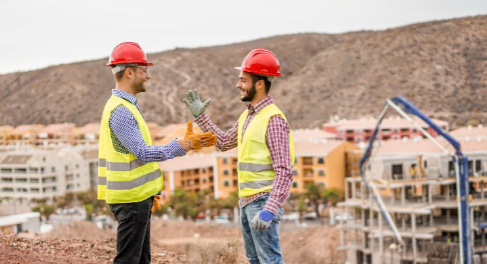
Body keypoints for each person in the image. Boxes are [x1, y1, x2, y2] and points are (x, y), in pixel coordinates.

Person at [98, 42, 216, 264]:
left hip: (138, 196)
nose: (148, 76)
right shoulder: (121, 111)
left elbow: (133, 156)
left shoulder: (125, 105)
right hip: (131, 198)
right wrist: (184, 145)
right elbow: (142, 153)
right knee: (128, 260)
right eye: (144, 70)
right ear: (130, 72)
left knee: (142, 259)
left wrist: (149, 192)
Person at [183, 48, 295, 264]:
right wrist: (201, 117)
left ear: (259, 83)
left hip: (262, 202)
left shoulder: (273, 120)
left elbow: (284, 171)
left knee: (269, 260)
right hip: (247, 202)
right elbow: (224, 143)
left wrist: (269, 210)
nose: (238, 85)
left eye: (243, 80)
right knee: (255, 260)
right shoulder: (248, 115)